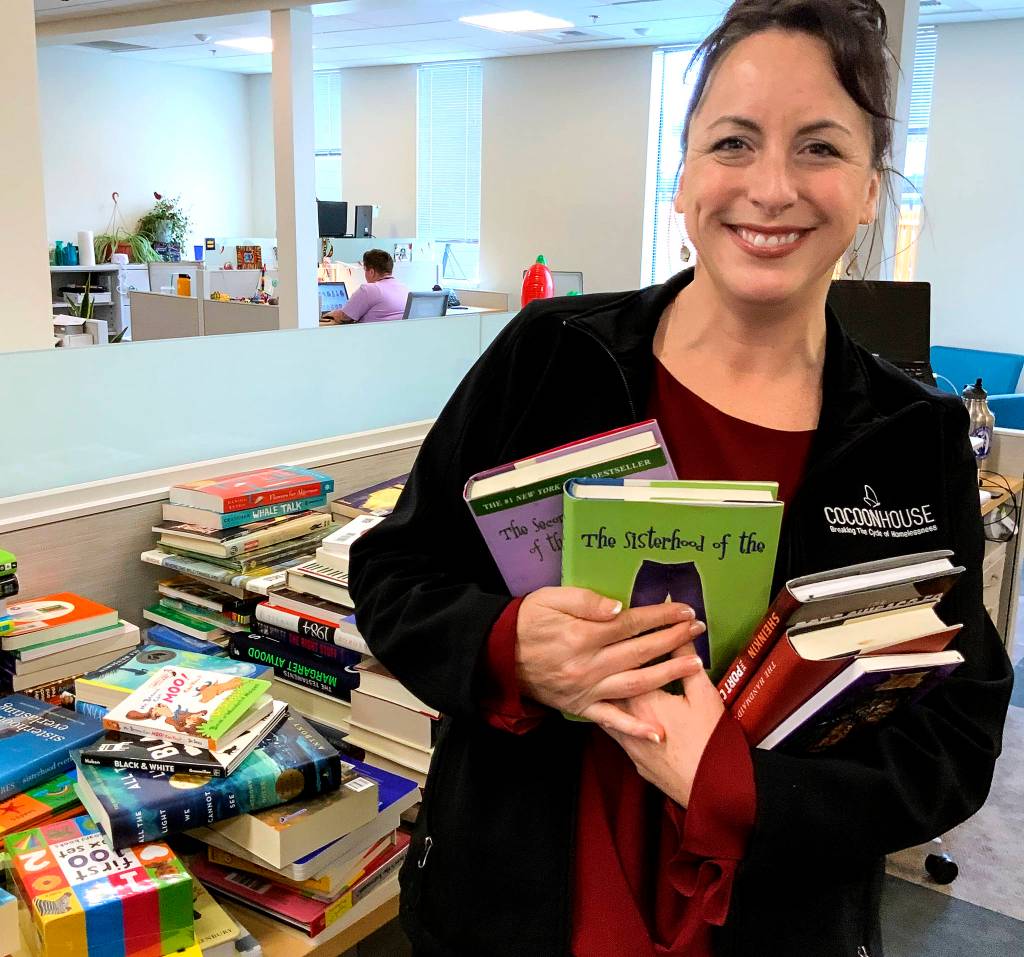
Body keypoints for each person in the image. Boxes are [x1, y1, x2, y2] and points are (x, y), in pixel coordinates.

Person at [348, 1, 1013, 954]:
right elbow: (394, 572)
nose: (771, 187)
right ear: (685, 176)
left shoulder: (910, 436)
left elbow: (953, 734)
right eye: (733, 143)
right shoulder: (553, 359)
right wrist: (507, 645)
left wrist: (736, 784)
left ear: (873, 190)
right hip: (512, 906)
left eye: (820, 148)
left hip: (777, 917)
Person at [322, 248, 409, 324]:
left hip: (370, 338)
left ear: (371, 272)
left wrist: (329, 314)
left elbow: (344, 317)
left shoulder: (368, 290)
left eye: (365, 270)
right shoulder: (404, 288)